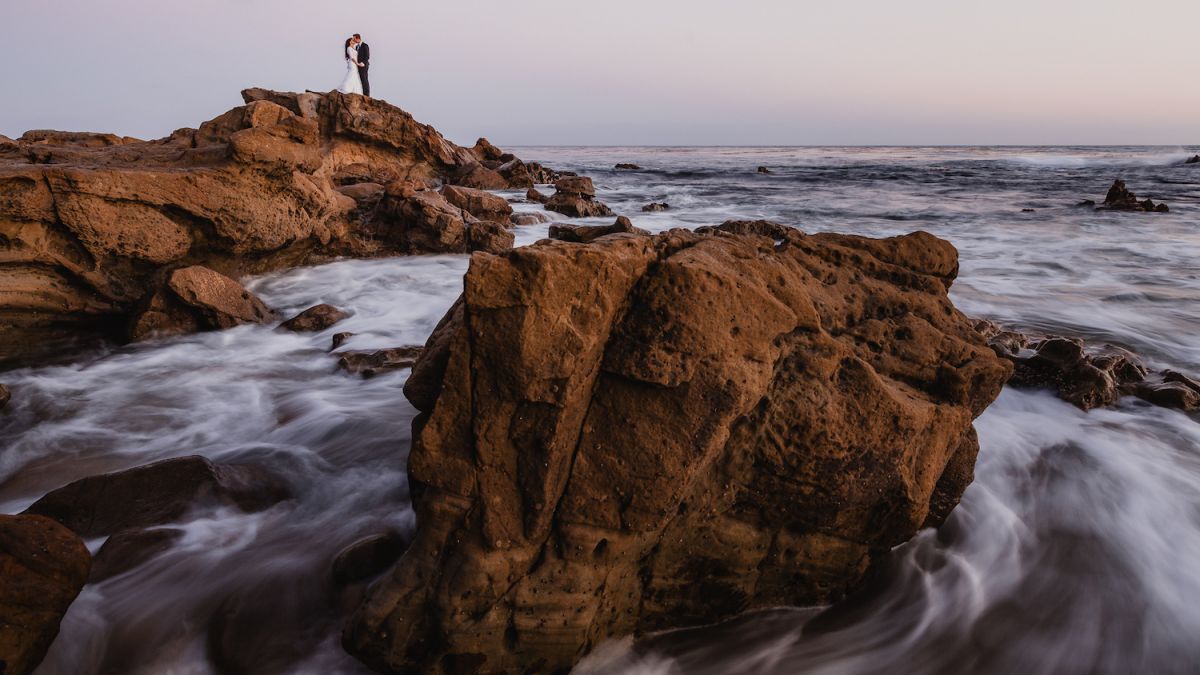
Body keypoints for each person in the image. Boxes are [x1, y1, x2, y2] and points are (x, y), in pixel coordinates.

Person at [354, 34, 371, 98]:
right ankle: (363, 93)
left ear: (358, 38)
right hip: (358, 65)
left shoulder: (365, 45)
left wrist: (362, 63)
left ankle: (366, 94)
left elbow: (367, 56)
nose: (354, 40)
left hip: (364, 65)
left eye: (354, 39)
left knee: (364, 79)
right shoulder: (356, 47)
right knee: (361, 79)